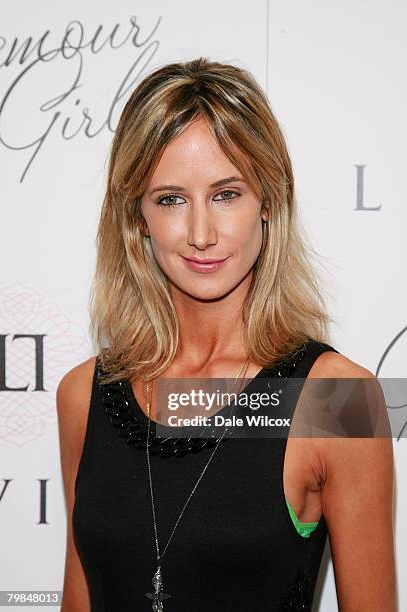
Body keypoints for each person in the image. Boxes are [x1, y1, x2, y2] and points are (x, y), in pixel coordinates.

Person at [56, 57, 396, 611]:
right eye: (170, 199)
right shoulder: (83, 395)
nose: (200, 233)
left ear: (268, 201)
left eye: (226, 194)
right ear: (137, 216)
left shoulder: (339, 401)